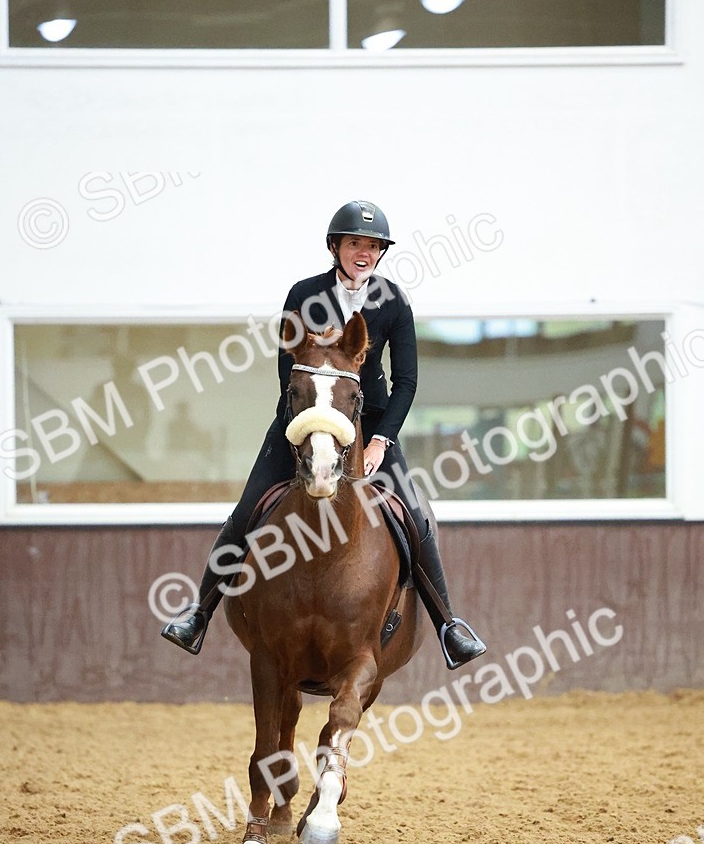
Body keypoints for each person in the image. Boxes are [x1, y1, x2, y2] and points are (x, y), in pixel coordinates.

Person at [162, 199, 486, 670]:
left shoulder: (393, 301)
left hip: (370, 426)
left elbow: (406, 381)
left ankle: (449, 626)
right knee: (247, 510)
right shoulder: (304, 294)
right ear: (336, 247)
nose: (364, 252)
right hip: (303, 421)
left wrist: (380, 441)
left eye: (373, 246)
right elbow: (286, 369)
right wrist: (305, 434)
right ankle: (199, 612)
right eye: (355, 243)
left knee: (416, 519)